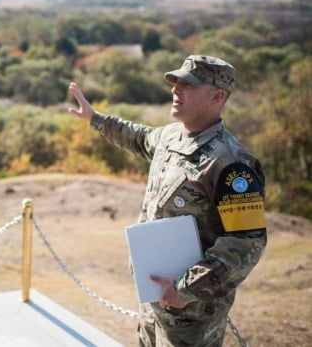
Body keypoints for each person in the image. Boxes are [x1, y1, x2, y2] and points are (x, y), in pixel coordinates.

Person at [68, 55, 267, 346]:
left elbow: (246, 243)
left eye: (188, 85)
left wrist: (184, 289)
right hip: (154, 301)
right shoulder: (171, 137)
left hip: (192, 315)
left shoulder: (232, 164)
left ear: (217, 96)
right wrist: (95, 120)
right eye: (176, 83)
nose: (176, 90)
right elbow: (137, 137)